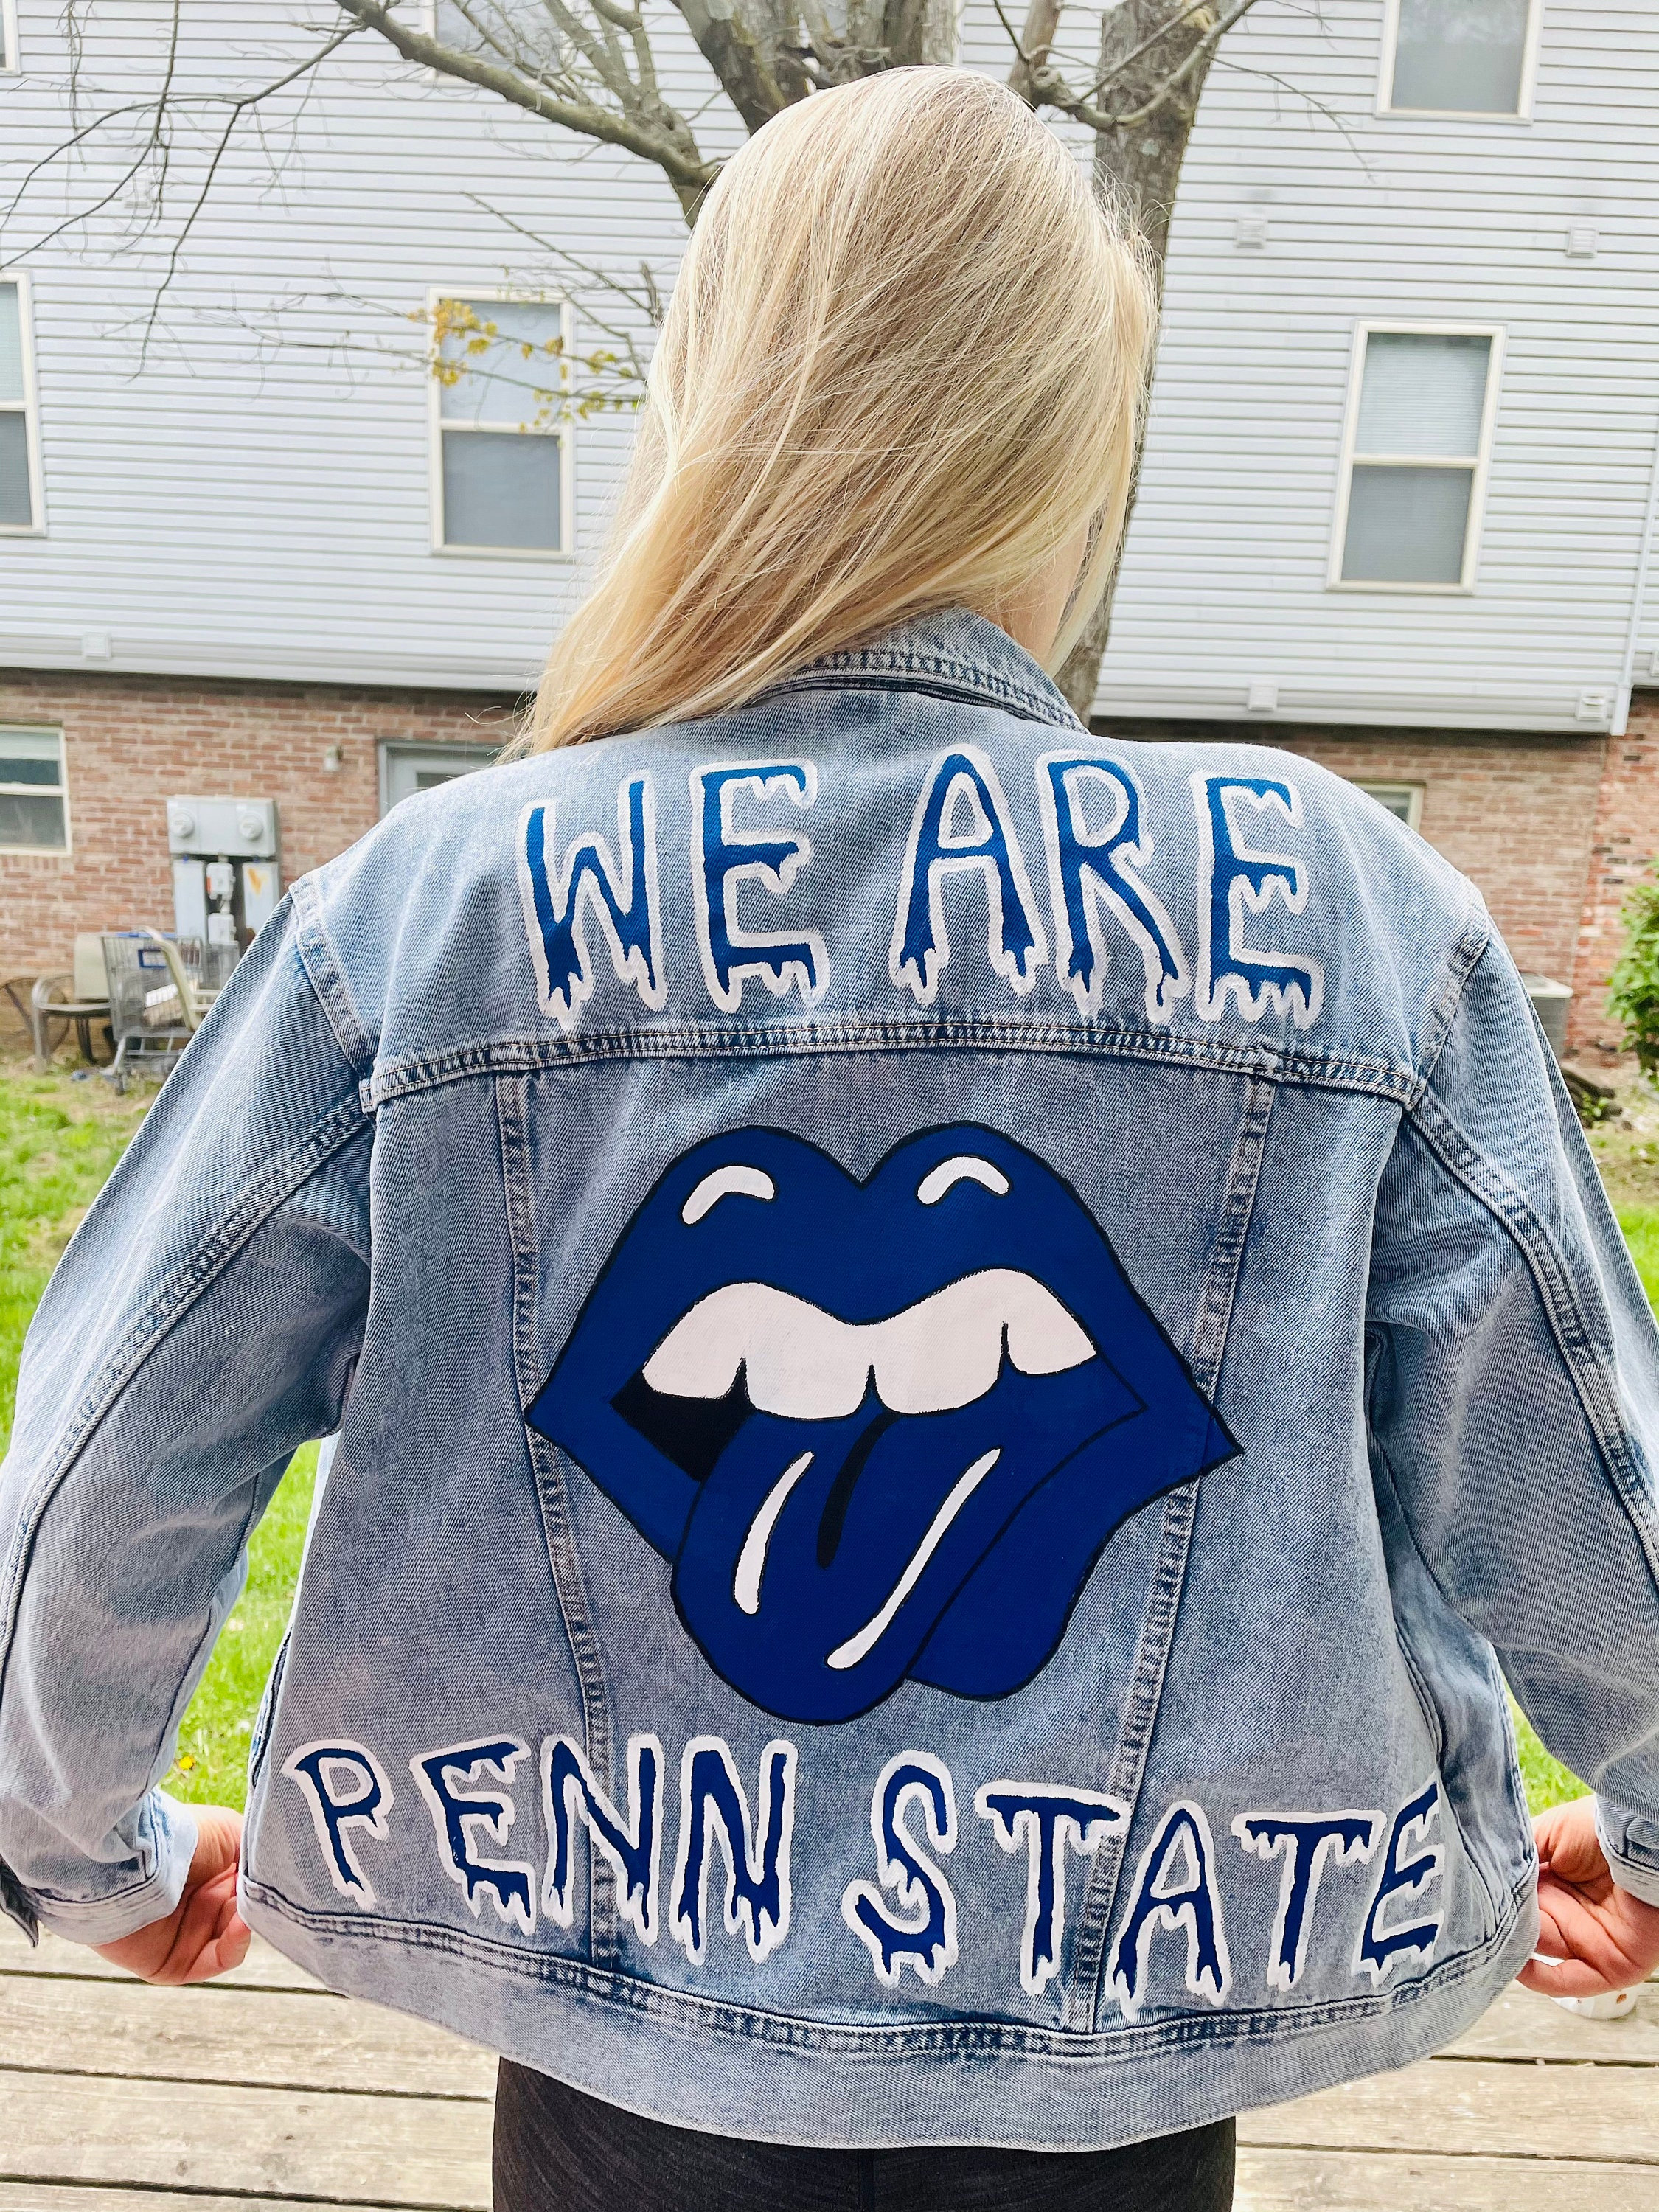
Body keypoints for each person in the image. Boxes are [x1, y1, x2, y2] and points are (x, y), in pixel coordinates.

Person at [1, 66, 1657, 2212]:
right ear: (1074, 451)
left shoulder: (425, 915)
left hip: (620, 2053)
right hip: (1120, 2082)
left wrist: (78, 1848)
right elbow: (1579, 1465)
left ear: (699, 413)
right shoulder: (1354, 914)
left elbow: (114, 1438)